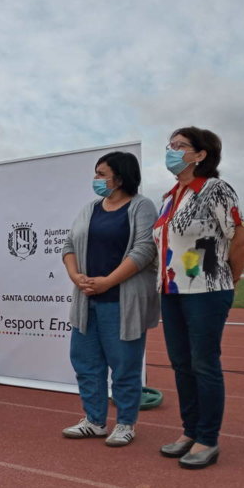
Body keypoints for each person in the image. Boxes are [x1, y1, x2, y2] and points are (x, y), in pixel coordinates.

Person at [153, 127, 244, 469]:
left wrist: (230, 280)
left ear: (201, 154)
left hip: (207, 291)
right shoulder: (169, 196)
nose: (172, 150)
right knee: (181, 364)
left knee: (204, 364)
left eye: (180, 146)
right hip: (172, 291)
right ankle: (190, 430)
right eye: (170, 145)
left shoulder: (215, 189)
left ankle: (208, 438)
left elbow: (240, 238)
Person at [61, 152, 159, 447]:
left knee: (124, 365)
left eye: (101, 174)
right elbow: (68, 244)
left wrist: (107, 282)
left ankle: (126, 423)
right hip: (86, 299)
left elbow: (144, 250)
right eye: (96, 174)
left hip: (122, 300)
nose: (96, 180)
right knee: (85, 362)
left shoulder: (142, 206)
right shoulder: (90, 208)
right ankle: (94, 421)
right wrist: (75, 276)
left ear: (120, 176)